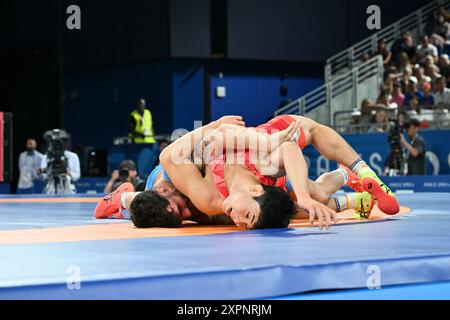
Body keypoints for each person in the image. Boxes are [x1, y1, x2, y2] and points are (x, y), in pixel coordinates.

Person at [96, 115, 399, 228]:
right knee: (313, 195)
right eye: (247, 219)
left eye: (180, 209)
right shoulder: (210, 199)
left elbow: (220, 136)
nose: (186, 213)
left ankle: (125, 198)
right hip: (259, 160)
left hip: (183, 168)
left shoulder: (203, 192)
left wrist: (263, 140)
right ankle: (351, 181)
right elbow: (224, 136)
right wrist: (306, 198)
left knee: (311, 137)